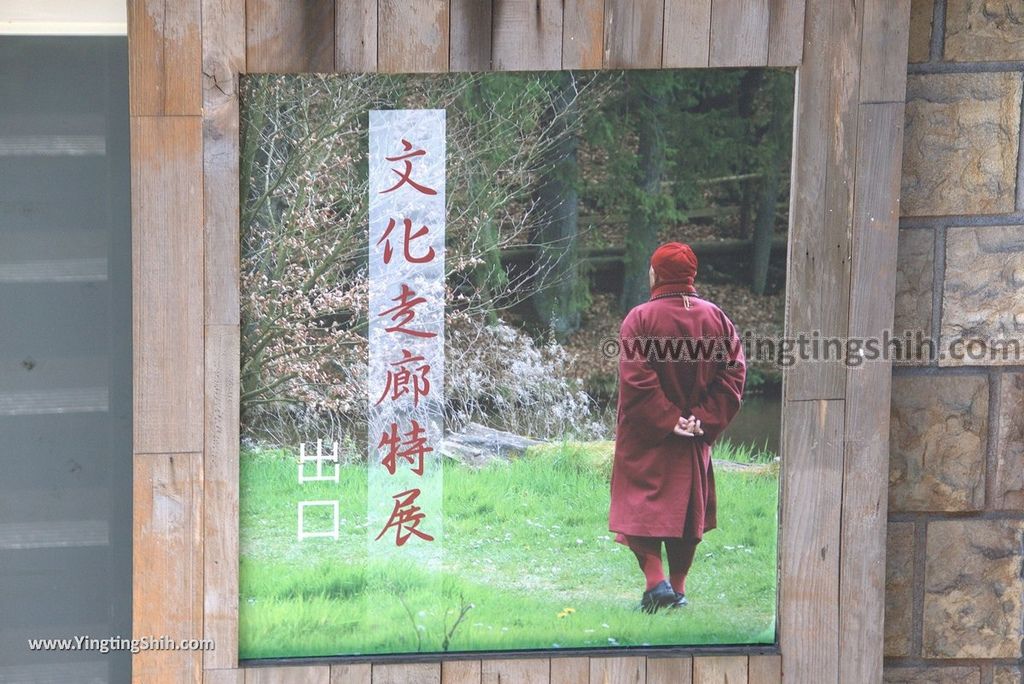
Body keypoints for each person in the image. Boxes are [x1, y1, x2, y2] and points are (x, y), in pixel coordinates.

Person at [608, 242, 746, 613]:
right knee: (687, 511)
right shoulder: (717, 318)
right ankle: (677, 590)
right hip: (697, 434)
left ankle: (657, 584)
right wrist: (703, 416)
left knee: (639, 503)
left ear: (656, 274)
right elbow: (734, 373)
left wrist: (670, 419)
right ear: (691, 276)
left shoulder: (639, 319)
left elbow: (636, 378)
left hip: (648, 433)